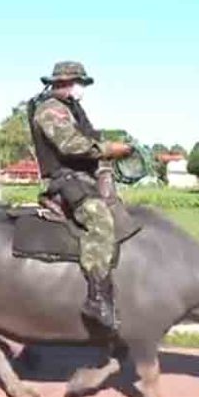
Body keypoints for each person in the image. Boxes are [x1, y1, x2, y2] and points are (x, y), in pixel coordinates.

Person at [27, 61, 132, 331]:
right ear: (64, 83)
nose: (82, 88)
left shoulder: (72, 108)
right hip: (65, 180)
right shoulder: (49, 110)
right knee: (99, 220)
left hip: (82, 177)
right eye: (79, 83)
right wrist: (110, 149)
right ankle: (96, 298)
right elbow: (71, 145)